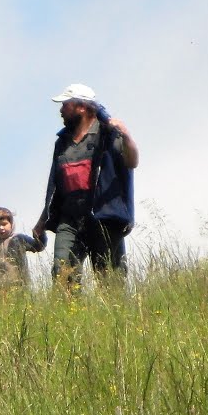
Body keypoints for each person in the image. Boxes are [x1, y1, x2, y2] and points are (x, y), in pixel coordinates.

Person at [31, 83, 139, 291]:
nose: (61, 110)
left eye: (65, 105)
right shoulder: (62, 142)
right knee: (62, 274)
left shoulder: (108, 134)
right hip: (69, 219)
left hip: (103, 217)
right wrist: (42, 221)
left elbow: (132, 162)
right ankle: (68, 319)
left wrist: (126, 135)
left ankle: (115, 320)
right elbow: (56, 185)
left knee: (111, 278)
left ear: (81, 107)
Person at [0, 207, 45, 292]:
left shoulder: (19, 239)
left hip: (20, 284)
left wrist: (40, 236)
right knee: (3, 305)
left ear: (11, 224)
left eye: (4, 224)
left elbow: (38, 246)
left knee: (21, 304)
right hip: (0, 287)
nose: (1, 228)